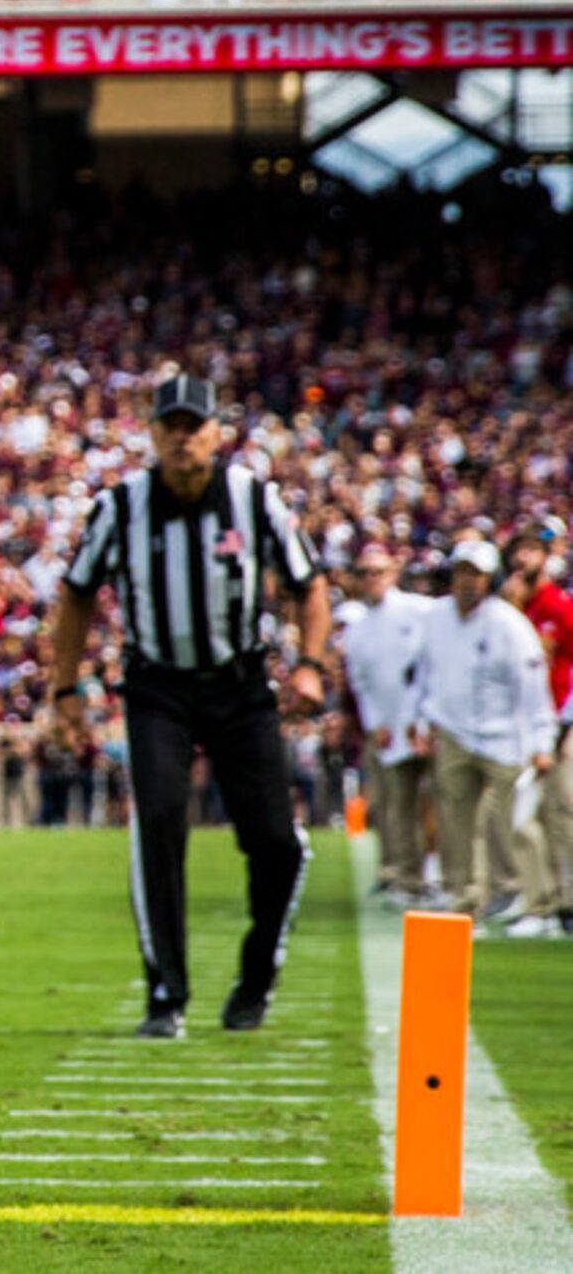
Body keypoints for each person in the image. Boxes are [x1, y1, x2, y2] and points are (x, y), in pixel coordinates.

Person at [48, 373, 328, 1038]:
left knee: (274, 841)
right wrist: (64, 689)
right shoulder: (121, 505)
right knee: (160, 824)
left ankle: (257, 973)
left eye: (192, 426)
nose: (181, 438)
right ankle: (165, 994)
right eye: (168, 426)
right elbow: (75, 592)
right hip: (157, 689)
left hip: (238, 685)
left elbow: (308, 585)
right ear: (151, 434)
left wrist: (311, 667)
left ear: (215, 434)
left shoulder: (251, 498)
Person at [410, 538, 556, 930]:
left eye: (476, 575)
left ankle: (528, 898)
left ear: (489, 579)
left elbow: (531, 687)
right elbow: (424, 674)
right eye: (462, 573)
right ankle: (465, 899)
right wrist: (420, 720)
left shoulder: (509, 625)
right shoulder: (436, 618)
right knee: (455, 820)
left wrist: (541, 742)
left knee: (507, 820)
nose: (468, 582)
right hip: (455, 732)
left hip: (504, 737)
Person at [339, 542, 432, 905]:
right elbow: (362, 685)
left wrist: (423, 719)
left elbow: (431, 669)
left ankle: (440, 877)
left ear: (393, 573)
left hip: (428, 724)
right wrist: (376, 723)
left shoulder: (420, 611)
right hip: (389, 729)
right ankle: (406, 878)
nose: (370, 579)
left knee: (440, 802)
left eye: (377, 571)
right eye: (363, 573)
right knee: (396, 805)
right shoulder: (358, 630)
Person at [500, 532, 573, 937]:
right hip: (522, 727)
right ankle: (540, 901)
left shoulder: (559, 607)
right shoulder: (511, 610)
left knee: (563, 813)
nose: (521, 559)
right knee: (524, 816)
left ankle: (563, 903)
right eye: (516, 552)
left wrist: (565, 725)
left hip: (560, 722)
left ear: (545, 559)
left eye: (530, 552)